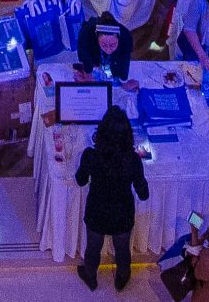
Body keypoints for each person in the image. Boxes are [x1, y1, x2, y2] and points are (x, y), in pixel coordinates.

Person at [73, 105, 147, 293]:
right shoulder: (133, 160)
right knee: (122, 249)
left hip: (97, 211)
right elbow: (143, 194)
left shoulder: (90, 156)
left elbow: (80, 180)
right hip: (122, 213)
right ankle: (122, 278)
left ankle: (90, 276)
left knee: (93, 247)